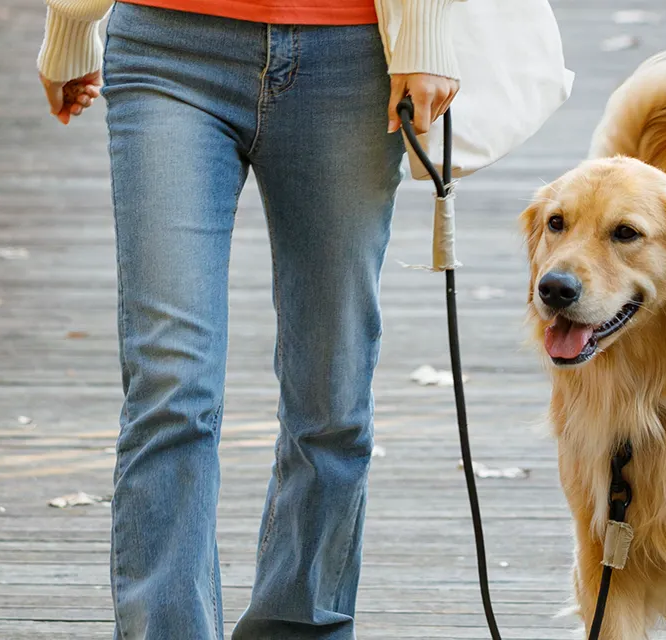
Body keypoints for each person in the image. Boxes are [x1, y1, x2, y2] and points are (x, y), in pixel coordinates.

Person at [35, 0, 459, 638]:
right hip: (169, 48)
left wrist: (424, 34)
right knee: (172, 382)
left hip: (349, 55)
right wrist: (71, 22)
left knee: (334, 395)